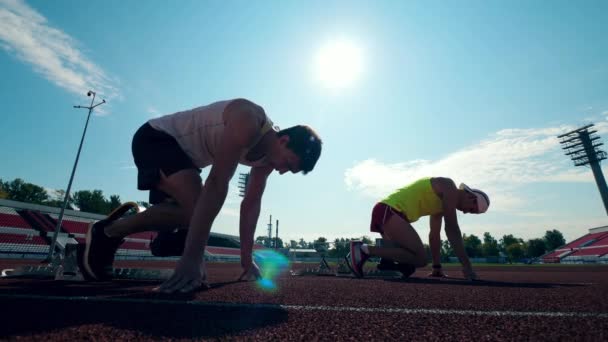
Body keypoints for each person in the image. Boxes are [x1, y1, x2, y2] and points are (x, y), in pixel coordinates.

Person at [80, 98, 322, 293]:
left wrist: (247, 260)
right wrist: (193, 256)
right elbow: (217, 182)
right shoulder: (249, 118)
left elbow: (251, 204)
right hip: (156, 138)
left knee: (192, 215)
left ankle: (111, 232)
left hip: (186, 161)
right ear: (284, 140)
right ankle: (110, 233)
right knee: (198, 210)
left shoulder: (265, 161)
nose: (282, 171)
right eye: (288, 164)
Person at [349, 177, 489, 280]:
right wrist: (467, 266)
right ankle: (362, 250)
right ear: (470, 196)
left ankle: (385, 263)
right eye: (471, 209)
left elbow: (434, 235)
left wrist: (437, 267)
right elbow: (452, 229)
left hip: (389, 213)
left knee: (410, 266)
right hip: (389, 211)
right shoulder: (449, 186)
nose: (465, 212)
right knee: (421, 258)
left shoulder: (442, 205)